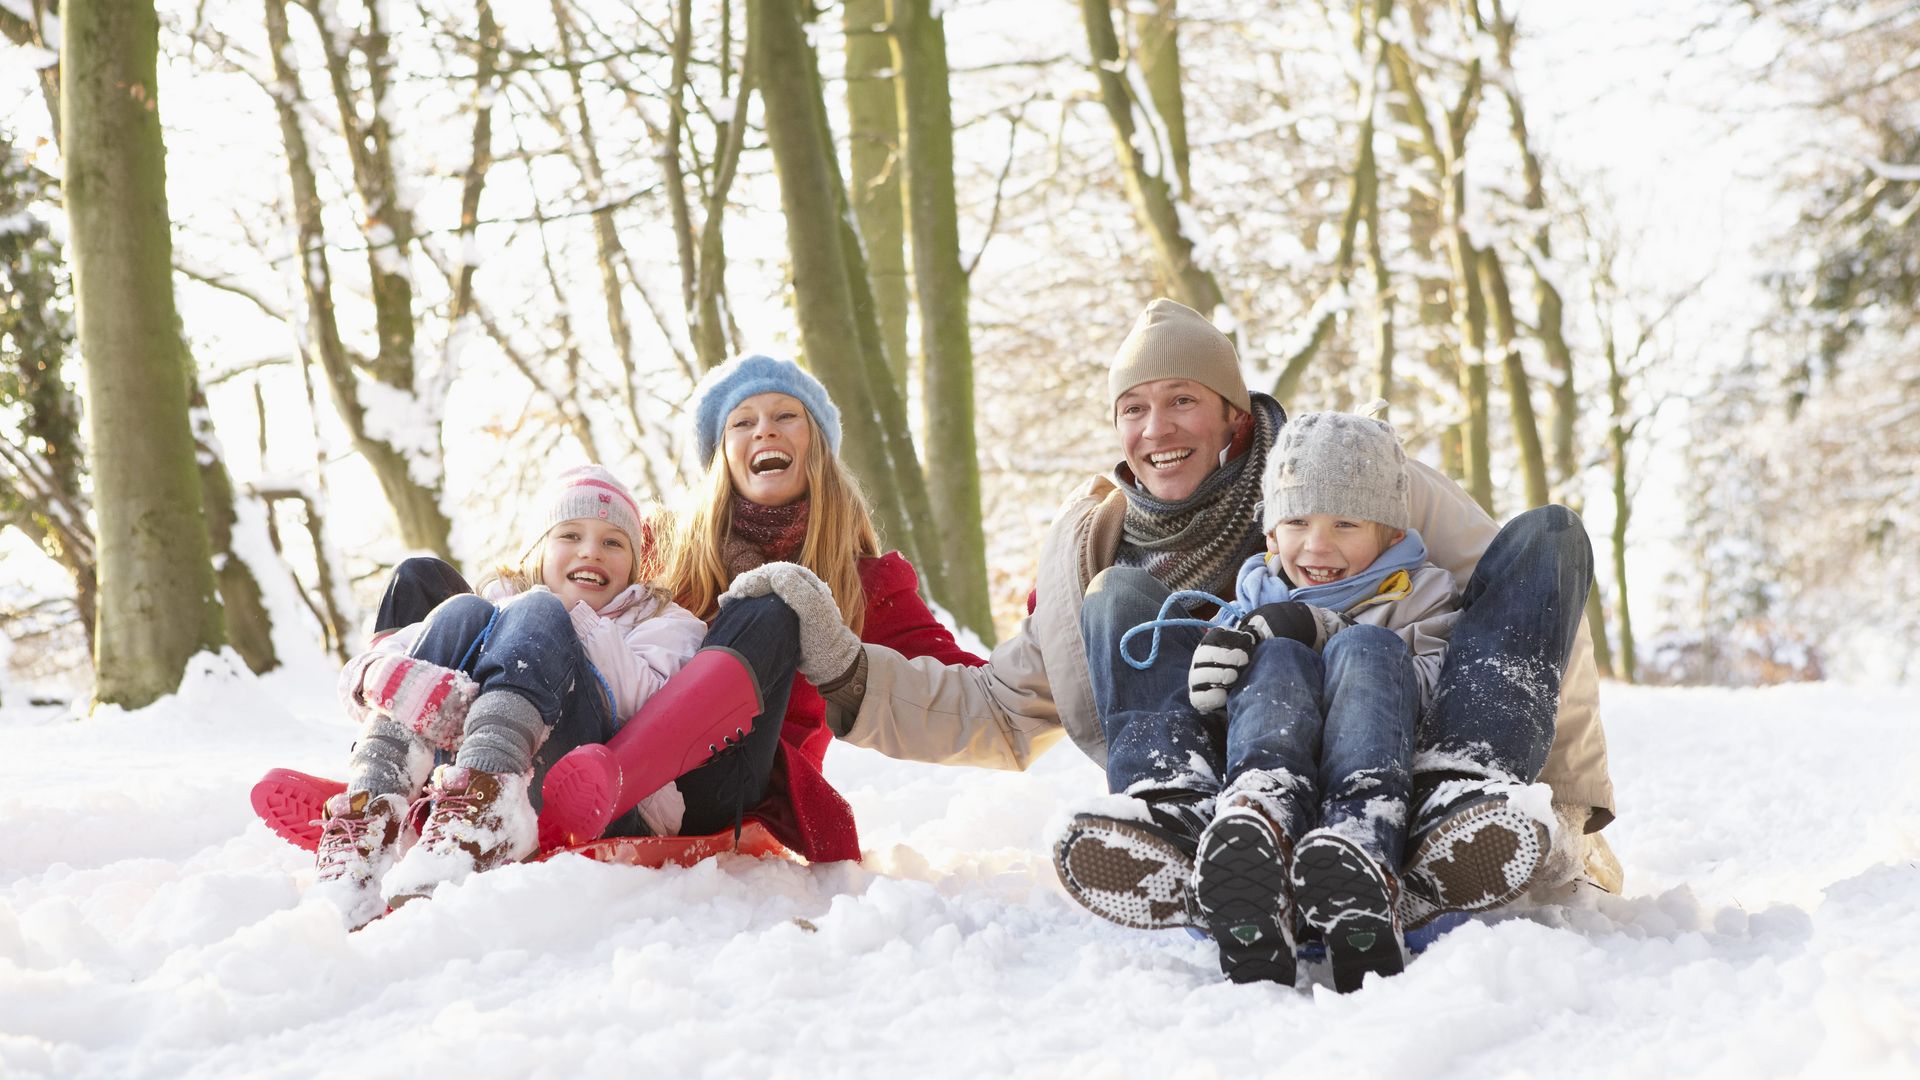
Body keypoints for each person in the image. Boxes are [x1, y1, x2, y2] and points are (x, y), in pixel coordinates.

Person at [780, 298, 1617, 944]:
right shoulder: (1089, 550)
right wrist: (844, 669)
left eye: (1182, 399)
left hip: (1398, 744)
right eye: (1133, 408)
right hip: (1236, 786)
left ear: (1233, 417)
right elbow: (996, 712)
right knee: (1121, 597)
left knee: (1545, 538)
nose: (1157, 428)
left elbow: (1524, 620)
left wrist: (1573, 808)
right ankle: (1183, 825)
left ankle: (1457, 804)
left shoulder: (1349, 476)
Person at [532, 354, 988, 861]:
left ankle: (613, 780)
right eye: (742, 422)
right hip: (597, 751)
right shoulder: (659, 542)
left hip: (727, 785)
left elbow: (968, 693)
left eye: (785, 416)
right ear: (722, 454)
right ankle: (462, 783)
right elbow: (557, 579)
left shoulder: (865, 584)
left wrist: (1056, 633)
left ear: (816, 441)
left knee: (774, 598)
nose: (764, 431)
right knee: (433, 580)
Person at [1110, 411, 1458, 990]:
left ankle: (1360, 854)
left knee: (1369, 647)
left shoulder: (1421, 595)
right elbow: (1221, 719)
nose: (1317, 545)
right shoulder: (1250, 604)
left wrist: (1324, 628)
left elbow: (1432, 692)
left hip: (1373, 784)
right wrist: (1215, 684)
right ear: (1270, 535)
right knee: (1274, 659)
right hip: (1273, 776)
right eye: (1296, 521)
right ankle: (1256, 838)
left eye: (1346, 523)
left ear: (1391, 534)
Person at [308, 465, 708, 928]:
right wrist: (381, 675)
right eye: (571, 535)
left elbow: (651, 705)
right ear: (538, 550)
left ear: (636, 563)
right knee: (460, 611)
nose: (591, 552)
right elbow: (374, 669)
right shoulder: (493, 604)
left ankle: (485, 809)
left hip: (601, 785)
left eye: (613, 542)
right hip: (464, 777)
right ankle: (368, 823)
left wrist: (562, 615)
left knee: (536, 611)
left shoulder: (660, 620)